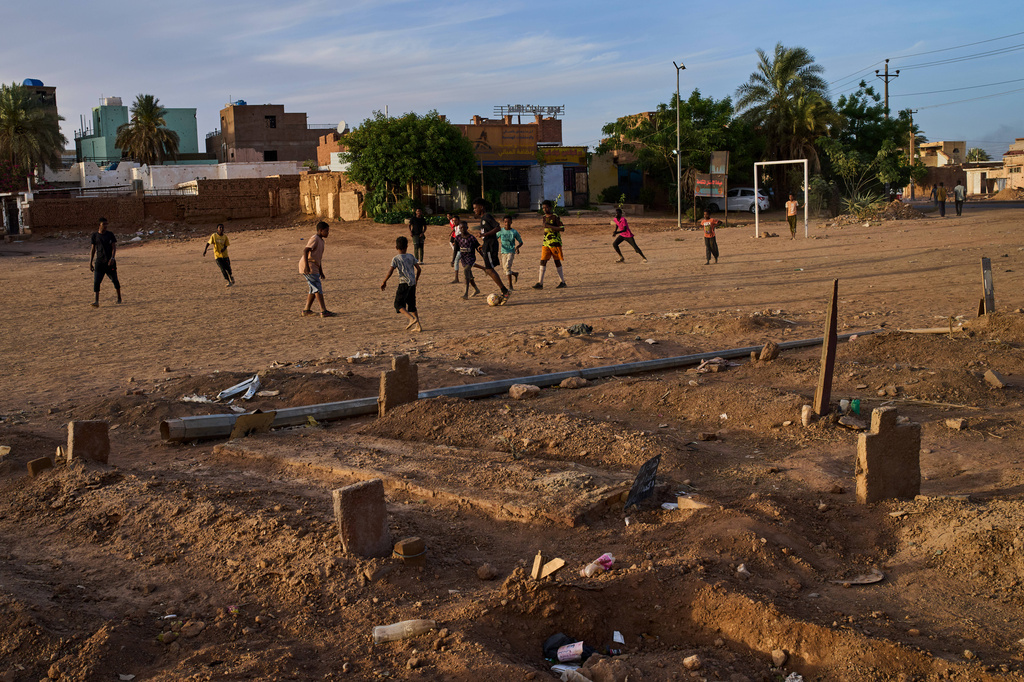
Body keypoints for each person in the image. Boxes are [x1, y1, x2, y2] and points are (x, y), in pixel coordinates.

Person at [471, 199, 511, 303]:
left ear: (481, 207)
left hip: (491, 245)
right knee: (489, 269)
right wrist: (483, 244)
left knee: (489, 269)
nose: (474, 209)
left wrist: (484, 235)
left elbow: (498, 228)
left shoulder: (487, 216)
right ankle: (505, 290)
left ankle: (505, 291)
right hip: (487, 245)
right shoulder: (483, 218)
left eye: (476, 207)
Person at [381, 236, 422, 332]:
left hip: (403, 283)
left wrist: (384, 281)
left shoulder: (396, 259)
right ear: (407, 246)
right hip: (412, 283)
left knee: (398, 304)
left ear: (396, 247)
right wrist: (416, 279)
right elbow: (419, 269)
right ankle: (418, 326)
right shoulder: (411, 256)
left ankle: (411, 318)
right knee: (412, 304)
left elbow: (390, 272)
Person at [299, 221, 334, 318]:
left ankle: (306, 310)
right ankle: (323, 311)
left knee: (313, 289)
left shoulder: (321, 241)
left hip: (314, 267)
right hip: (309, 266)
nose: (328, 233)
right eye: (326, 231)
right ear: (320, 230)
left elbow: (318, 258)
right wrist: (306, 266)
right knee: (317, 288)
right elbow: (306, 250)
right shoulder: (314, 238)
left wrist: (321, 271)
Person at [532, 199, 567, 289]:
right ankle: (540, 283)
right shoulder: (544, 217)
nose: (544, 209)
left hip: (555, 243)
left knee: (557, 261)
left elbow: (562, 228)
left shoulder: (555, 217)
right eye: (543, 208)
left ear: (550, 208)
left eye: (546, 207)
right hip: (546, 242)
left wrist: (549, 226)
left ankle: (562, 282)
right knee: (543, 260)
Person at [89, 217, 122, 307]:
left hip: (110, 262)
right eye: (104, 224)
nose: (106, 226)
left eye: (107, 224)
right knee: (96, 281)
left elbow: (113, 247)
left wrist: (112, 258)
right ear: (99, 225)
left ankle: (119, 298)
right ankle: (96, 301)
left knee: (115, 280)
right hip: (99, 262)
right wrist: (90, 262)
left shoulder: (110, 234)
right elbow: (93, 249)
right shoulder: (95, 236)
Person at [453, 220, 481, 300]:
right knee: (470, 276)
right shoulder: (458, 238)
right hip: (463, 259)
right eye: (461, 228)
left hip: (471, 258)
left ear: (467, 228)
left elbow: (478, 248)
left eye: (464, 228)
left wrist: (484, 257)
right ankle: (476, 289)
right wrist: (453, 260)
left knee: (466, 271)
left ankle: (466, 293)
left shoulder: (471, 238)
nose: (462, 229)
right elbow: (455, 250)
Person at [498, 215, 523, 290]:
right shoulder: (501, 231)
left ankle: (510, 286)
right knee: (505, 270)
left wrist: (517, 247)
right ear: (503, 222)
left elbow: (521, 242)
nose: (507, 223)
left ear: (511, 222)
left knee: (508, 267)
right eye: (505, 222)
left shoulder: (514, 232)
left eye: (509, 222)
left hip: (511, 251)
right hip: (503, 252)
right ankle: (515, 274)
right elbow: (494, 238)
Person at [447, 212, 462, 283]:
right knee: (464, 263)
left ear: (459, 220)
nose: (454, 222)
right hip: (459, 248)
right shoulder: (456, 227)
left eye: (455, 220)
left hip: (463, 248)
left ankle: (457, 278)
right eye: (453, 221)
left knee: (458, 261)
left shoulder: (460, 227)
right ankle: (456, 278)